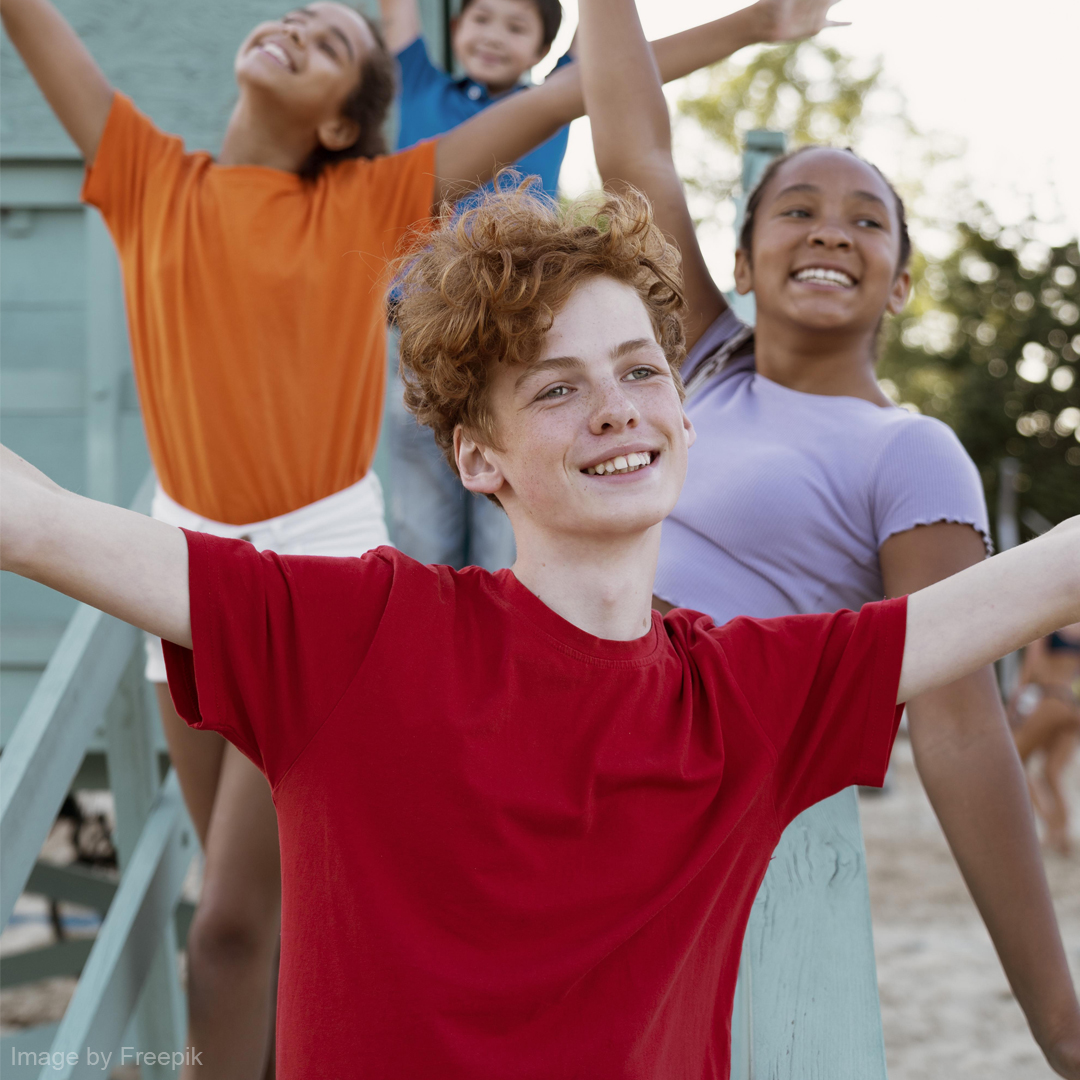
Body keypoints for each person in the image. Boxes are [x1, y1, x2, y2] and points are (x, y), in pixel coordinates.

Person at [3, 182, 1079, 1078]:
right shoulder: (357, 632)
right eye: (558, 387)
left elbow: (1039, 582)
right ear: (479, 459)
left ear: (682, 417)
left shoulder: (750, 692)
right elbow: (37, 520)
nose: (616, 408)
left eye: (641, 371)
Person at [0, 1, 591, 1074]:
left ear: (337, 124)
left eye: (329, 46)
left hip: (318, 566)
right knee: (264, 910)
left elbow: (568, 91)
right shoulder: (147, 176)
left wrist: (742, 30)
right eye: (294, 18)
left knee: (226, 928)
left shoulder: (368, 201)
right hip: (175, 562)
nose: (295, 31)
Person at [576, 0, 1080, 1074]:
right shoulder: (699, 365)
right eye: (795, 209)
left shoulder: (910, 452)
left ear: (898, 281)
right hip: (580, 765)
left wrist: (1058, 1019)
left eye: (867, 220)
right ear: (745, 259)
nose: (829, 230)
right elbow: (633, 141)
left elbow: (957, 720)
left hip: (729, 814)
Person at [377, 0, 855, 574]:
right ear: (456, 29)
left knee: (505, 526)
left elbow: (622, 59)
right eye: (482, 18)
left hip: (519, 337)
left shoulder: (551, 99)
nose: (495, 35)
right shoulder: (417, 81)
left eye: (516, 26)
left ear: (539, 50)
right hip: (412, 339)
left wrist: (754, 25)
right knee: (421, 525)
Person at [1012, 623, 1080, 854]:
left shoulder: (1048, 627)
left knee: (1015, 762)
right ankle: (1063, 835)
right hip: (1073, 705)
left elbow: (1032, 667)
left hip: (1051, 699)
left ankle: (1050, 823)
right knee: (1051, 772)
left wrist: (1015, 703)